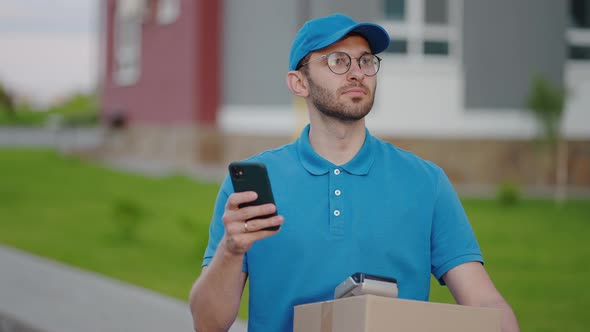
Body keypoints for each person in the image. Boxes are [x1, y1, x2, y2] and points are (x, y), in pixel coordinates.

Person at [189, 13, 520, 332]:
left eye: (365, 61)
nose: (357, 73)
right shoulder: (253, 187)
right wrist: (231, 250)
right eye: (337, 61)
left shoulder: (425, 182)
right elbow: (208, 324)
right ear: (299, 82)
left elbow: (483, 302)